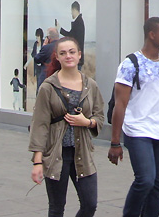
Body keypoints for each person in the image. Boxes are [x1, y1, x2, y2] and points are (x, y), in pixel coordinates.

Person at [108, 17, 159, 217]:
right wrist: (115, 142)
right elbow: (120, 104)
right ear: (152, 34)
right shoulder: (130, 64)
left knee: (158, 185)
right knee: (145, 180)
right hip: (137, 130)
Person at [29, 37, 105, 217]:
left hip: (82, 152)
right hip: (56, 153)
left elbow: (99, 116)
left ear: (79, 55)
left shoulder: (90, 85)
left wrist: (87, 122)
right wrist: (37, 161)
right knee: (56, 208)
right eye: (63, 53)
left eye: (72, 52)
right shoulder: (48, 87)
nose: (68, 56)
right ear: (57, 57)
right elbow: (40, 124)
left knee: (90, 204)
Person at [60, 2, 85, 67]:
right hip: (77, 57)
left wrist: (60, 29)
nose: (71, 13)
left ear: (74, 10)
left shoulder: (78, 22)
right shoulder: (78, 21)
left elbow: (71, 36)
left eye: (71, 11)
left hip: (76, 58)